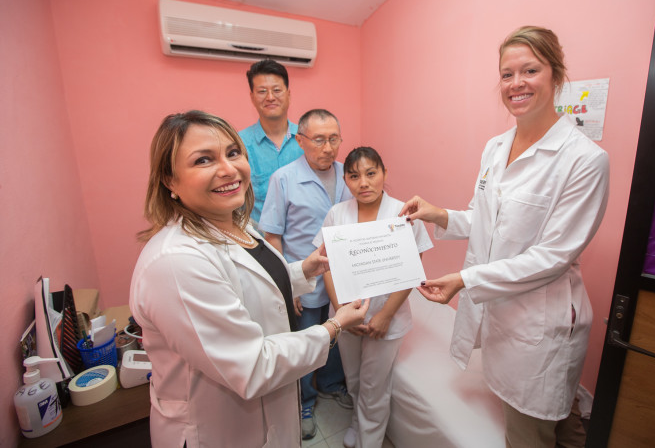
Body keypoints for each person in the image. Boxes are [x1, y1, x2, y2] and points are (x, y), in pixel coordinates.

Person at [399, 26, 609, 448]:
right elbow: (484, 218)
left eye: (530, 70)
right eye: (507, 74)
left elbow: (551, 257)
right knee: (556, 417)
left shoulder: (585, 160)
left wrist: (465, 280)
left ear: (556, 74)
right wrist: (437, 213)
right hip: (504, 312)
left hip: (540, 322)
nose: (516, 84)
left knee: (533, 430)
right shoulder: (496, 148)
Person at [129, 110, 369, 447]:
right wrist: (334, 327)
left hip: (268, 416)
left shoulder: (233, 224)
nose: (228, 169)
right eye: (203, 160)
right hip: (217, 431)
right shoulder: (176, 262)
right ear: (169, 180)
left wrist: (306, 269)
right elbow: (253, 365)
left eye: (232, 153)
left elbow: (249, 283)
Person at [314, 147, 433, 448]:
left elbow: (413, 268)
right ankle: (357, 421)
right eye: (354, 176)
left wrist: (385, 315)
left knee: (374, 386)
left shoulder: (401, 214)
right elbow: (325, 266)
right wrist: (342, 311)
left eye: (371, 173)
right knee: (353, 379)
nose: (363, 183)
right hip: (346, 315)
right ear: (346, 180)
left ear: (384, 173)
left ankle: (370, 440)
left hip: (386, 315)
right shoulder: (336, 214)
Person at [258, 108, 353, 439]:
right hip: (306, 279)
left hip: (344, 278)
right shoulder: (283, 178)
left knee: (337, 337)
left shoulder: (348, 174)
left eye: (334, 139)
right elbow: (272, 235)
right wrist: (290, 286)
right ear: (301, 141)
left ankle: (330, 384)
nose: (328, 148)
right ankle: (304, 402)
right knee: (303, 342)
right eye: (319, 139)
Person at [238, 59, 303, 227]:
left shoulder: (308, 140)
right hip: (261, 245)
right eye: (262, 91)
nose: (270, 97)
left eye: (276, 90)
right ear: (252, 97)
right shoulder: (238, 145)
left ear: (288, 94)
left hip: (306, 243)